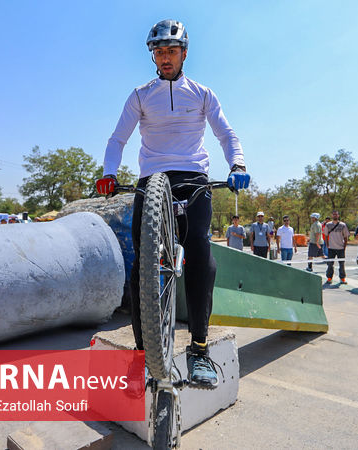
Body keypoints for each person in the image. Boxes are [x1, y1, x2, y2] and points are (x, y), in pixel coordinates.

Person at [95, 19, 250, 389]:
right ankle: (139, 356)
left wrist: (238, 164)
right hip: (152, 180)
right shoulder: (140, 95)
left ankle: (199, 349)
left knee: (200, 255)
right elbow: (118, 139)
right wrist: (109, 173)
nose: (165, 57)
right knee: (140, 265)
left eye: (171, 50)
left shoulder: (201, 93)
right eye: (159, 51)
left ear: (184, 53)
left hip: (193, 178)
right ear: (153, 55)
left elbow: (226, 134)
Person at [325, 210, 349, 284]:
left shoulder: (343, 225)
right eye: (333, 214)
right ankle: (329, 278)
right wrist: (327, 245)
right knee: (330, 264)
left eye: (336, 214)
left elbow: (346, 237)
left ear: (338, 216)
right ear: (332, 215)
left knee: (341, 264)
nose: (335, 215)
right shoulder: (328, 225)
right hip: (331, 248)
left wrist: (344, 246)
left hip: (340, 248)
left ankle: (342, 278)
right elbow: (326, 236)